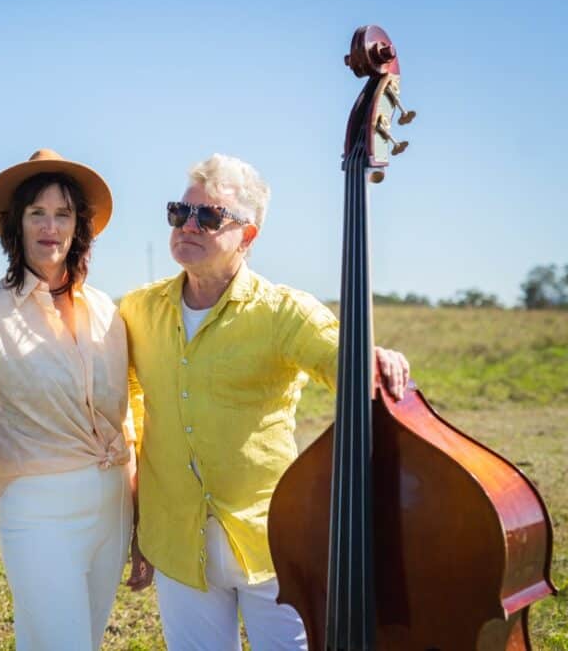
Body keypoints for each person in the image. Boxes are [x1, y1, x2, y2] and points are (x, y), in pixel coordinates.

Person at [118, 153, 411, 650]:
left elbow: (346, 367)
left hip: (270, 538)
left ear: (248, 236)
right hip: (176, 536)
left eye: (208, 217)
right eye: (180, 212)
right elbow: (128, 401)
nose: (188, 226)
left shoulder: (284, 312)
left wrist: (370, 357)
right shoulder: (138, 309)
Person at [0, 149, 135, 650]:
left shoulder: (106, 311)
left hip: (113, 504)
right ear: (16, 226)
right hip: (38, 507)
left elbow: (127, 419)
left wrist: (140, 515)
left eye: (63, 214)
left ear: (80, 227)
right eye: (37, 213)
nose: (50, 227)